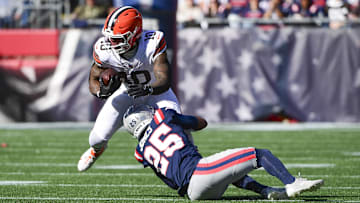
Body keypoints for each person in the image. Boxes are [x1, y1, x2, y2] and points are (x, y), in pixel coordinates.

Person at [122, 104, 324, 200]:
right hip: (200, 173)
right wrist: (181, 124)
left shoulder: (140, 152)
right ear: (143, 115)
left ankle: (266, 191)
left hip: (192, 193)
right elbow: (200, 123)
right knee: (260, 154)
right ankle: (292, 183)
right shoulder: (163, 117)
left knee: (229, 173)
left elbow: (172, 182)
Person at [77, 6, 182, 172]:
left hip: (157, 93)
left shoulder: (152, 43)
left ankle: (190, 164)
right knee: (96, 139)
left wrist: (148, 89)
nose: (112, 43)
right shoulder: (104, 49)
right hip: (127, 92)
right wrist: (100, 91)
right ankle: (97, 150)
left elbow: (164, 80)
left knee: (178, 130)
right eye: (111, 38)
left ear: (134, 35)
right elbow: (93, 78)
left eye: (118, 39)